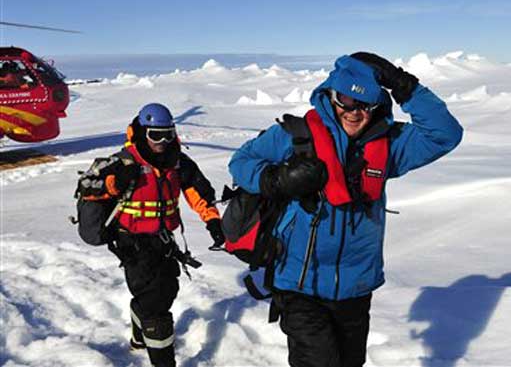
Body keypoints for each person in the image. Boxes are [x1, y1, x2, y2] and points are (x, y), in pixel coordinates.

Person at [228, 52, 463, 367]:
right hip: (299, 284)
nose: (354, 112)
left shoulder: (389, 145)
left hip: (356, 286)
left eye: (365, 105)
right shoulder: (296, 137)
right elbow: (241, 163)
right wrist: (277, 179)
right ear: (329, 95)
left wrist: (404, 85)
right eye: (346, 101)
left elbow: (446, 134)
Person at [77, 103, 225, 367]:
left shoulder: (178, 163)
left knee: (167, 289)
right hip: (131, 242)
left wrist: (213, 222)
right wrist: (114, 184)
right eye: (156, 135)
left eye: (168, 134)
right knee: (157, 308)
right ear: (143, 132)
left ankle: (138, 330)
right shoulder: (124, 162)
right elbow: (91, 188)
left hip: (164, 241)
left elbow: (198, 193)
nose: (163, 141)